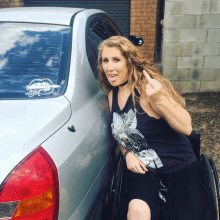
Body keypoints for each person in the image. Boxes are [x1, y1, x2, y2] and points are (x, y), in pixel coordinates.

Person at [97, 36, 216, 220]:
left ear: (130, 62)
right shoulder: (112, 95)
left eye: (116, 60)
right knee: (137, 210)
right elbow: (120, 135)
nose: (109, 67)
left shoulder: (147, 89)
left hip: (179, 168)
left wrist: (160, 99)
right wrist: (127, 154)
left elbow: (186, 127)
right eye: (105, 60)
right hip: (144, 172)